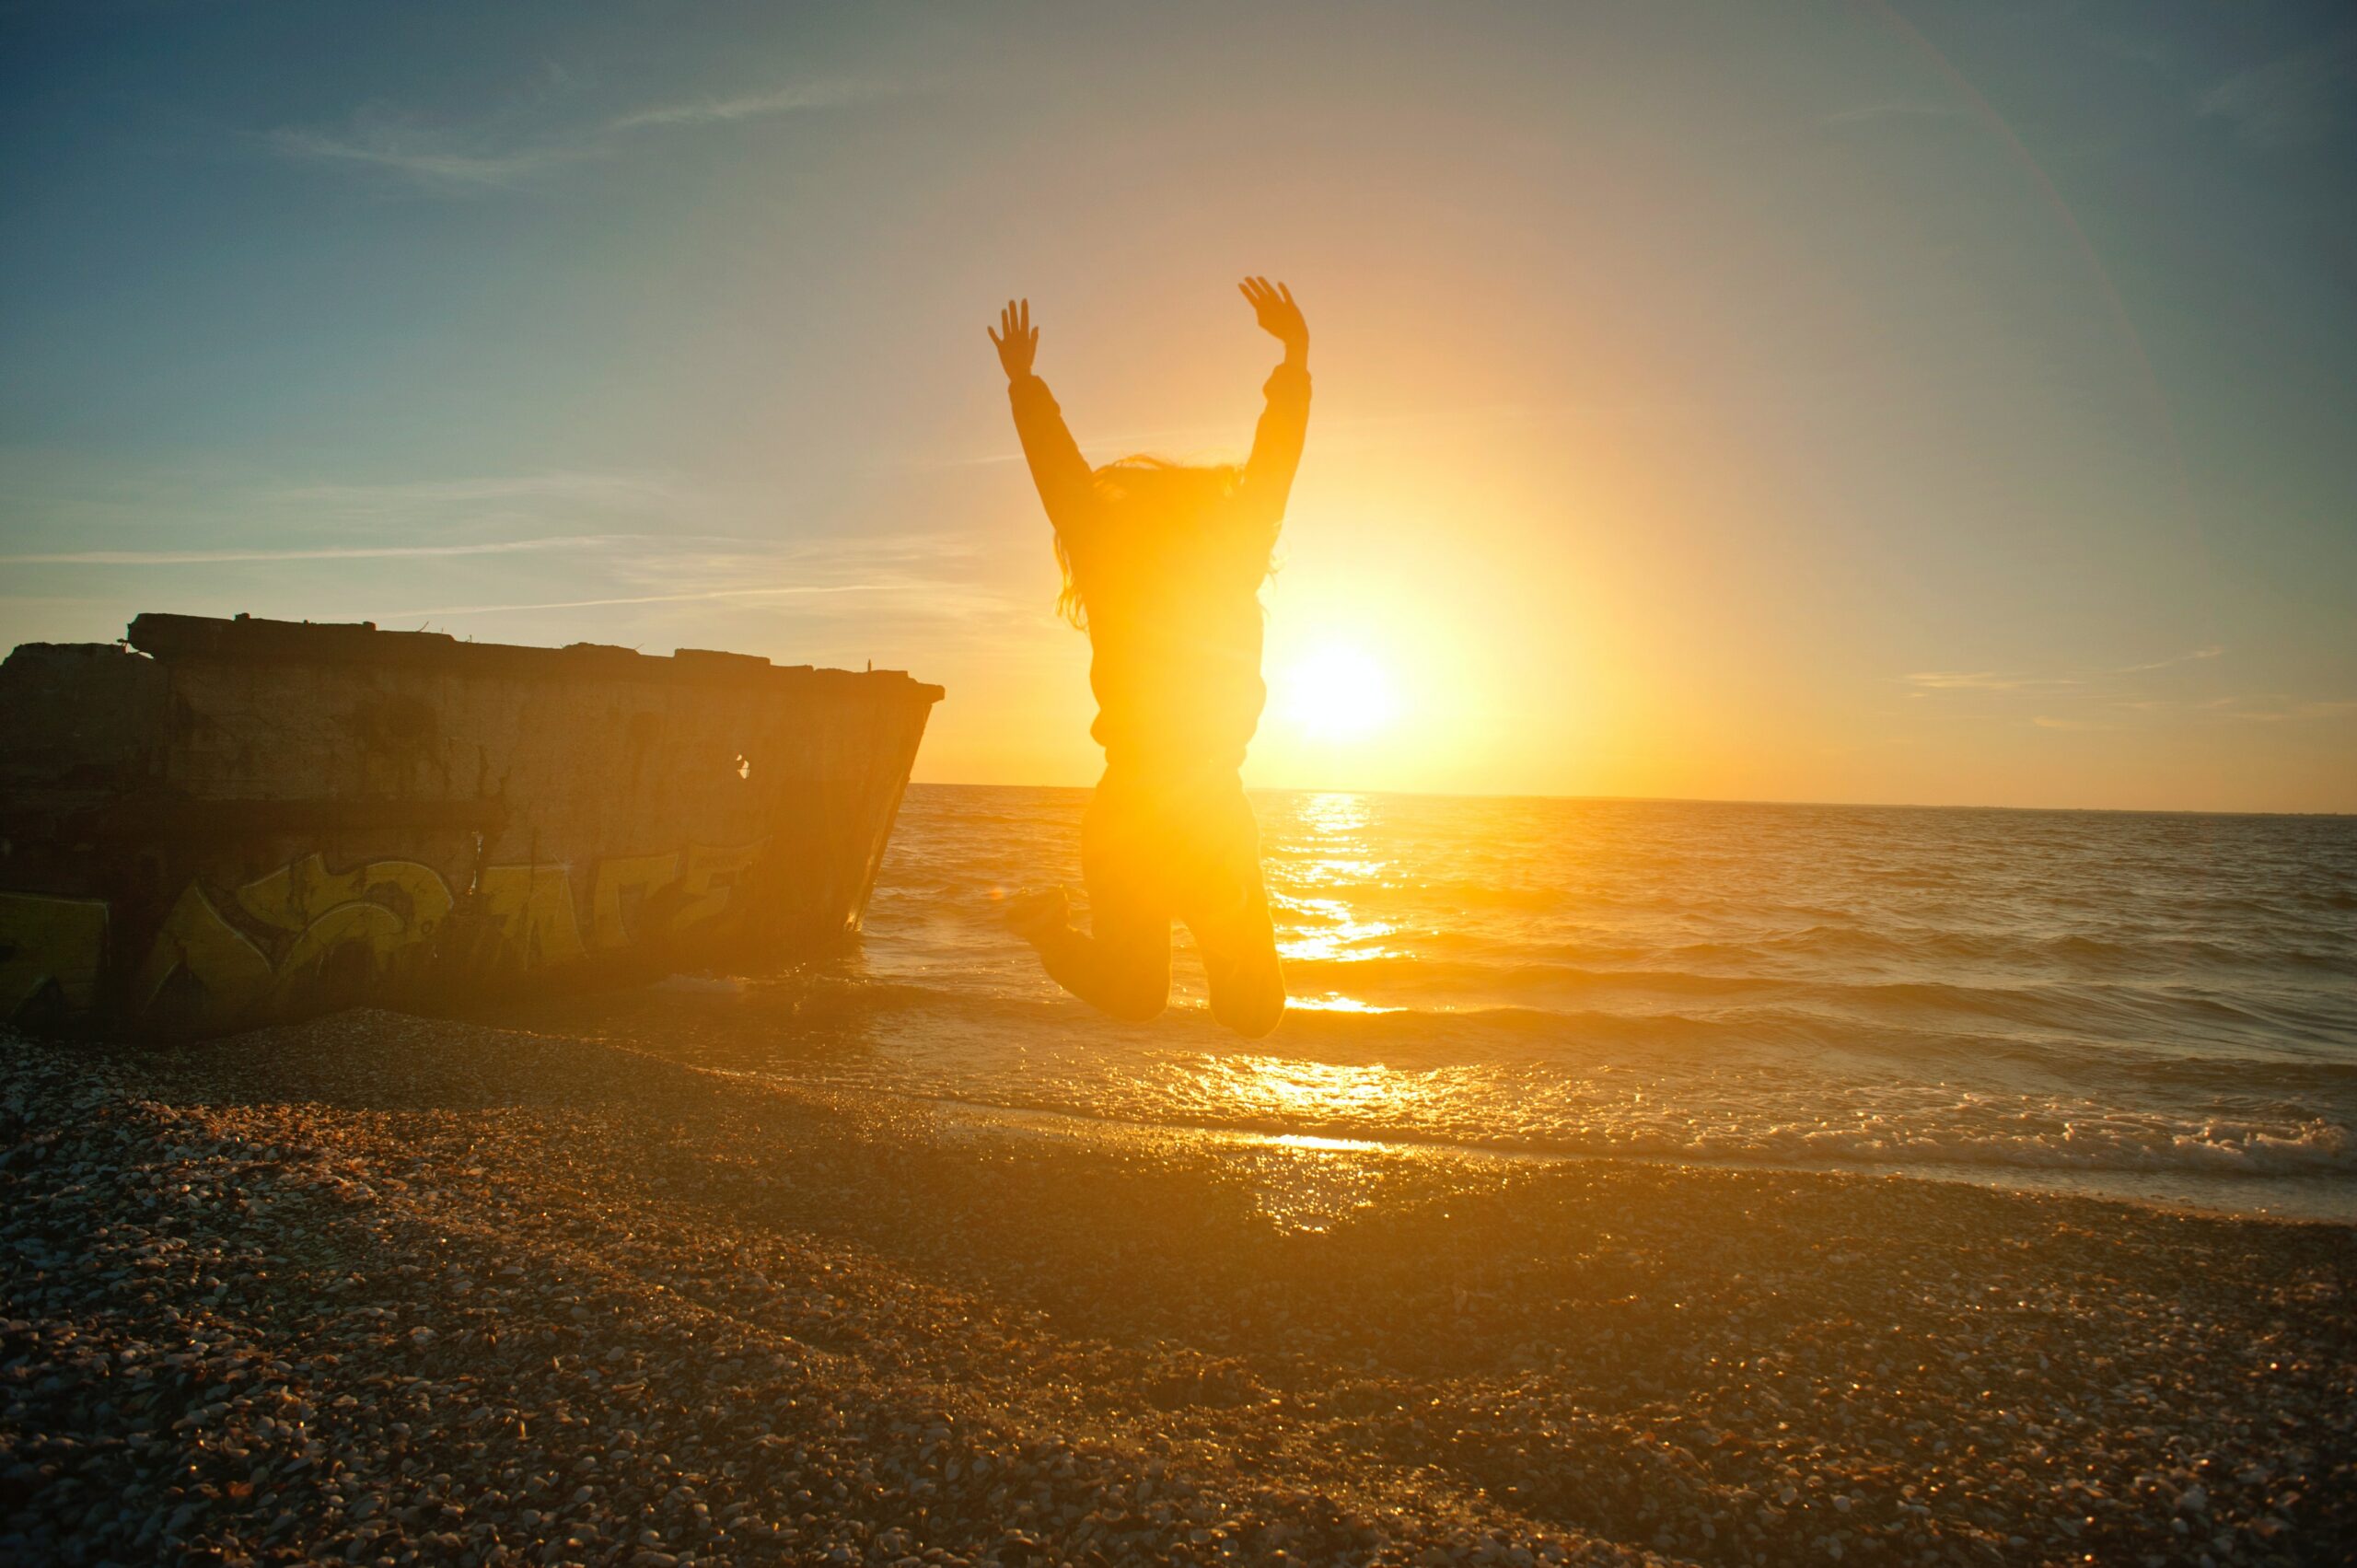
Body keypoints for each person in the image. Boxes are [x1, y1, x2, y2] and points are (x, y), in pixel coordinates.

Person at [987, 278, 1311, 1039]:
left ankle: (1049, 930)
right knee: (1254, 1011)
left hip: (1130, 811)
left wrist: (1025, 384)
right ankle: (1220, 906)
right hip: (1207, 804)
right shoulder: (1229, 559)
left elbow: (1062, 482)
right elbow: (1275, 466)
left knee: (1137, 996)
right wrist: (1294, 357)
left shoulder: (1114, 568)